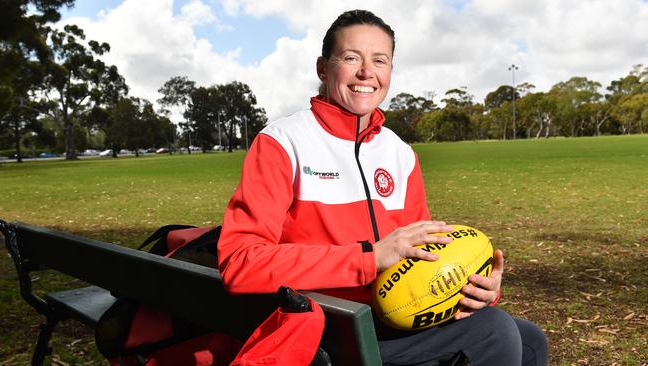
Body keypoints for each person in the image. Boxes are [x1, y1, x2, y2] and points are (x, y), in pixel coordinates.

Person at [218, 9, 548, 366]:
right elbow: (241, 263)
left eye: (380, 60)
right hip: (326, 324)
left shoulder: (400, 153)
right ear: (323, 69)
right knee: (493, 332)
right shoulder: (283, 143)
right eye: (350, 58)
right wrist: (369, 257)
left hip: (389, 317)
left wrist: (473, 286)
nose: (366, 72)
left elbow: (424, 257)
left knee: (528, 339)